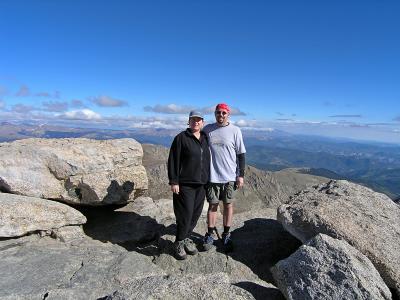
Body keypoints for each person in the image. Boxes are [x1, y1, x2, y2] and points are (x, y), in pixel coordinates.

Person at [202, 103, 246, 252]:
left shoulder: (235, 130)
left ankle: (226, 233)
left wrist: (241, 175)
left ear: (228, 114)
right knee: (212, 206)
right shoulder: (208, 129)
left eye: (223, 113)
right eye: (218, 113)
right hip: (212, 176)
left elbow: (241, 154)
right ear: (214, 114)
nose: (220, 115)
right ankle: (209, 233)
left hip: (229, 177)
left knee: (228, 205)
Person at [167, 110, 211, 260]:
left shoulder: (205, 138)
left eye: (199, 120)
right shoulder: (181, 138)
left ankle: (186, 238)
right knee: (185, 214)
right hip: (185, 184)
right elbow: (173, 160)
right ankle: (178, 242)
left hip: (202, 184)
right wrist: (174, 181)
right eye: (193, 120)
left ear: (202, 122)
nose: (196, 122)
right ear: (189, 122)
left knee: (195, 214)